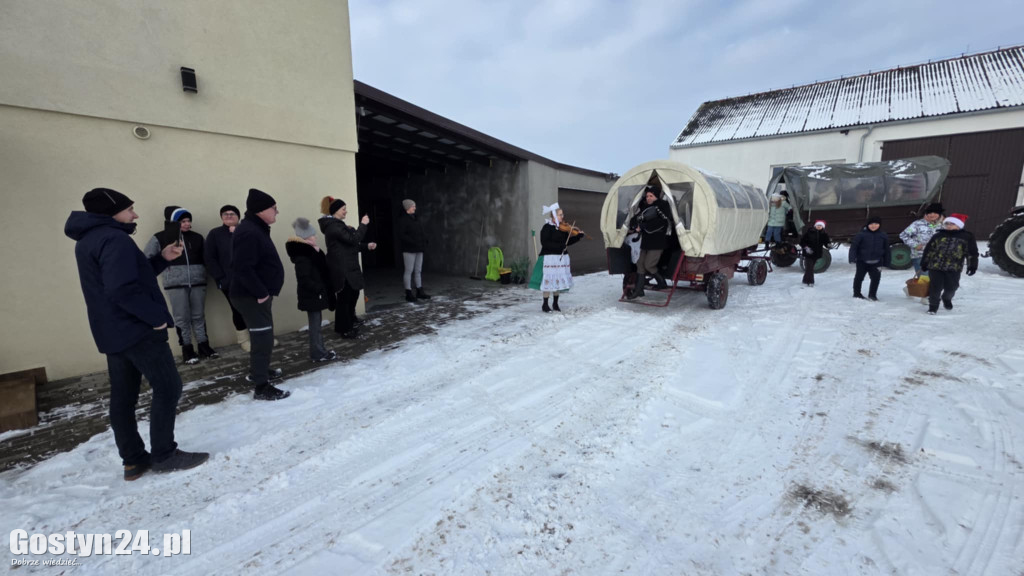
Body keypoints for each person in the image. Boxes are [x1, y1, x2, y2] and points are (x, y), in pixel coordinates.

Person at [64, 188, 209, 480]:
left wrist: (162, 259)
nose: (135, 214)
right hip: (137, 329)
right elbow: (122, 289)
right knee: (169, 387)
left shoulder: (88, 240)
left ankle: (133, 460)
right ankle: (164, 454)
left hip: (111, 331)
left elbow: (127, 276)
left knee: (123, 397)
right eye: (129, 209)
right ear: (110, 213)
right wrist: (155, 319)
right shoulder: (114, 238)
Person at [230, 188, 288, 401]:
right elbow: (242, 267)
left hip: (255, 295)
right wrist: (261, 292)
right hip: (251, 296)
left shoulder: (256, 229)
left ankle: (259, 371)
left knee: (262, 335)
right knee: (263, 338)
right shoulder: (249, 232)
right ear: (261, 210)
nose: (277, 212)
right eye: (273, 208)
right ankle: (261, 387)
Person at [143, 206, 214, 364]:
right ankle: (187, 349)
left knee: (198, 316)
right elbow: (146, 259)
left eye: (189, 220)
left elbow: (207, 258)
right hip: (175, 285)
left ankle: (204, 346)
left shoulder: (197, 237)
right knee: (181, 318)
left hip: (198, 283)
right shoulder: (160, 238)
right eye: (183, 221)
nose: (187, 224)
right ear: (173, 222)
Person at [319, 196, 376, 338]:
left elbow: (351, 245)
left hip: (348, 266)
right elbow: (353, 239)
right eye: (343, 209)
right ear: (336, 211)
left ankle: (351, 320)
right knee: (344, 299)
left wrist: (366, 246)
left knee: (353, 294)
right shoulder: (333, 227)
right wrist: (363, 224)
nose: (346, 212)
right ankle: (344, 328)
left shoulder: (339, 225)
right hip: (342, 269)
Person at [286, 218, 337, 362]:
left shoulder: (312, 252)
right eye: (313, 235)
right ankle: (318, 353)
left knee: (317, 324)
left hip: (315, 294)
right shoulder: (304, 256)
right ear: (305, 237)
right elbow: (304, 278)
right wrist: (319, 289)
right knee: (315, 326)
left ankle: (320, 351)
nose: (315, 237)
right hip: (312, 295)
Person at [205, 205, 250, 351]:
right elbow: (209, 258)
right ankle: (244, 340)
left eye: (232, 214)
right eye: (225, 214)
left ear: (238, 216)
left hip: (250, 278)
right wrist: (220, 277)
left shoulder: (246, 231)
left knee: (255, 309)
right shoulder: (215, 234)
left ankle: (261, 338)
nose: (229, 216)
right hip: (229, 281)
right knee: (238, 309)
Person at [528, 203, 584, 312]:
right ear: (554, 215)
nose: (562, 216)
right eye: (560, 214)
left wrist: (578, 237)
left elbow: (566, 243)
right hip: (549, 258)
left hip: (561, 258)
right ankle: (545, 304)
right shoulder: (547, 227)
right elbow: (545, 243)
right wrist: (559, 246)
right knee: (548, 280)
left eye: (562, 214)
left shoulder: (561, 228)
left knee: (558, 280)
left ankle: (555, 303)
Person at [920, 213, 979, 315]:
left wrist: (972, 266)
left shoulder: (966, 237)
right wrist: (924, 262)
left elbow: (972, 253)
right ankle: (933, 307)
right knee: (935, 288)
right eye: (947, 223)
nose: (949, 225)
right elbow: (929, 250)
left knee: (951, 288)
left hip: (954, 268)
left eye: (952, 224)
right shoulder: (938, 236)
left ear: (959, 225)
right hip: (935, 267)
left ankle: (946, 298)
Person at [628, 185, 673, 298]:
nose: (648, 198)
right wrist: (634, 225)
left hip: (657, 241)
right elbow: (636, 218)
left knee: (649, 264)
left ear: (656, 196)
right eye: (647, 196)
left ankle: (662, 283)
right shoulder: (645, 207)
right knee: (640, 263)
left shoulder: (663, 206)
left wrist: (643, 226)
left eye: (651, 196)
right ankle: (639, 290)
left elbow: (662, 222)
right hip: (645, 241)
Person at [849, 216, 890, 301]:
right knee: (859, 277)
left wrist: (887, 261)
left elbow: (887, 249)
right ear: (868, 225)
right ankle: (857, 293)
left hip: (877, 261)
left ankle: (872, 295)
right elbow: (854, 247)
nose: (873, 226)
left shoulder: (883, 235)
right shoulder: (861, 235)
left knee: (876, 279)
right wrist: (852, 258)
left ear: (879, 225)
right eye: (871, 224)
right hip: (862, 261)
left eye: (876, 224)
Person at [397, 199, 430, 303]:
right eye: (413, 206)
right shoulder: (403, 220)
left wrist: (425, 239)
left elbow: (421, 231)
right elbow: (402, 235)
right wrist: (413, 242)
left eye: (414, 206)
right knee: (409, 271)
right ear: (407, 208)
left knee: (418, 270)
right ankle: (408, 293)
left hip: (419, 248)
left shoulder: (416, 218)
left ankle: (420, 291)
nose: (415, 208)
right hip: (409, 249)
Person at [899, 203, 945, 275]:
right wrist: (915, 245)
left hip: (937, 257)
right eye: (930, 212)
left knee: (936, 282)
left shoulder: (943, 225)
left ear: (939, 214)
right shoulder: (917, 224)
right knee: (924, 281)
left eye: (935, 212)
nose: (932, 214)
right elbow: (903, 235)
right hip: (920, 256)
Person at [799, 220, 830, 287]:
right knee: (810, 267)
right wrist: (806, 248)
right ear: (815, 226)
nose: (819, 227)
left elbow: (826, 242)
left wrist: (828, 245)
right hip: (809, 253)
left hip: (817, 253)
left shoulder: (823, 234)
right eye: (818, 225)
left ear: (823, 227)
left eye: (820, 226)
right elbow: (802, 242)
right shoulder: (809, 232)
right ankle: (811, 281)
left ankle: (805, 280)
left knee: (810, 267)